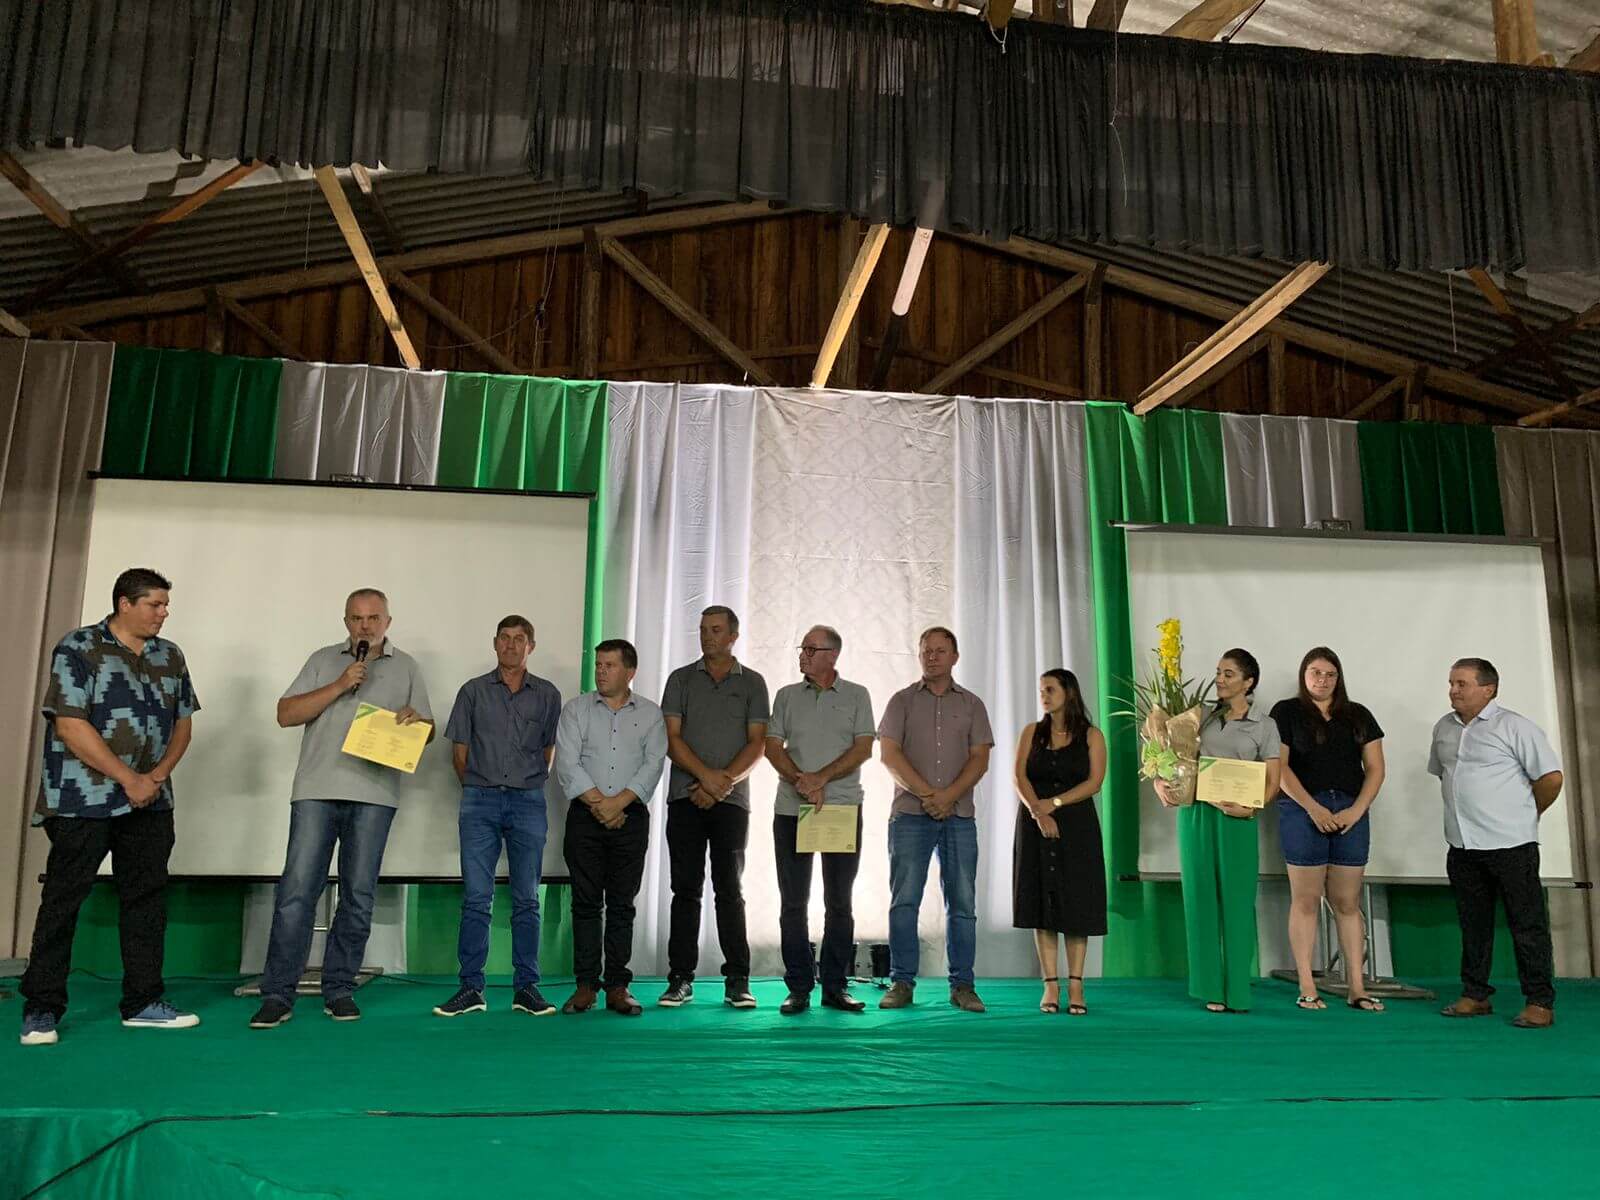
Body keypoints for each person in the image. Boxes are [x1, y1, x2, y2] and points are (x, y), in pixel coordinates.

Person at [20, 569, 201, 1046]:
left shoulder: (169, 655)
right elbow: (69, 725)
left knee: (146, 900)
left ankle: (143, 1002)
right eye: (155, 604)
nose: (164, 613)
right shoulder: (79, 648)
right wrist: (129, 778)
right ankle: (41, 1009)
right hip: (83, 800)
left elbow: (183, 723)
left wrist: (155, 778)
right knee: (63, 901)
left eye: (165, 605)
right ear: (125, 603)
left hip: (151, 803)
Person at [250, 588, 433, 1029]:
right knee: (297, 892)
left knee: (358, 895)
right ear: (346, 621)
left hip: (374, 793)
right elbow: (286, 714)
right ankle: (278, 993)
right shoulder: (322, 660)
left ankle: (339, 988)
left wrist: (417, 723)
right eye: (356, 618)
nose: (364, 626)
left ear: (388, 622)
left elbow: (427, 731)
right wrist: (339, 684)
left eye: (373, 618)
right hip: (316, 789)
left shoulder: (407, 666)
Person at [432, 616, 563, 1019]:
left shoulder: (547, 694)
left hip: (527, 801)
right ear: (494, 643)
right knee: (476, 899)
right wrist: (479, 788)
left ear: (530, 647)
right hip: (480, 801)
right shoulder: (472, 691)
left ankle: (527, 988)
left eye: (519, 639)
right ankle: (471, 988)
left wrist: (525, 784)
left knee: (527, 899)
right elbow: (459, 754)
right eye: (504, 638)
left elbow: (549, 751)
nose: (511, 645)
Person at [1429, 658, 1563, 1029]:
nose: (1453, 690)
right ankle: (1475, 994)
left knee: (1527, 925)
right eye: (1451, 683)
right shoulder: (1444, 727)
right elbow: (1446, 775)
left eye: (1462, 683)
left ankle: (1539, 1001)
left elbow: (1551, 778)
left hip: (1511, 844)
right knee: (1473, 924)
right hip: (1462, 846)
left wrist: (1528, 813)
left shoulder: (1515, 727)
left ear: (1488, 689)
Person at [658, 606, 770, 1010]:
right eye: (703, 629)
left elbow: (758, 743)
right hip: (685, 798)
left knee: (730, 889)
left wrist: (722, 784)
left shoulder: (753, 682)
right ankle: (680, 978)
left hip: (732, 801)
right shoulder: (680, 679)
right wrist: (706, 777)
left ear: (733, 636)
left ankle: (737, 979)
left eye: (716, 630)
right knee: (685, 890)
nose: (707, 636)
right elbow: (671, 739)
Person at [877, 627, 994, 1013]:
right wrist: (929, 795)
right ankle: (901, 982)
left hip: (959, 818)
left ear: (955, 657)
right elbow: (890, 755)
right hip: (910, 816)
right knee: (904, 901)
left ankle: (963, 986)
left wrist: (948, 796)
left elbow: (979, 759)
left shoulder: (973, 704)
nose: (932, 657)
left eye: (940, 651)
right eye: (926, 650)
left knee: (962, 904)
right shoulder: (901, 701)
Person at [1157, 649, 1281, 1013]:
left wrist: (1252, 807)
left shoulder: (1265, 725)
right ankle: (1209, 987)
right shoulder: (1200, 715)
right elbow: (1170, 757)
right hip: (1196, 814)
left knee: (1238, 903)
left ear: (1248, 682)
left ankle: (1237, 990)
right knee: (1200, 899)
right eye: (1218, 672)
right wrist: (1161, 782)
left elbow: (1273, 781)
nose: (1220, 680)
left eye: (1229, 674)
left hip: (1238, 820)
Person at [764, 625, 876, 1015]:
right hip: (792, 810)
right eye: (803, 648)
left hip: (840, 809)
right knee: (793, 903)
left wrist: (821, 779)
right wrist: (802, 781)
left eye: (811, 649)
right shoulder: (786, 695)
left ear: (833, 655)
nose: (803, 654)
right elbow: (772, 746)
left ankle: (835, 986)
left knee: (839, 902)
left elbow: (863, 748)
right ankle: (798, 987)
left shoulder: (857, 695)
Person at [1269, 647, 1387, 1012]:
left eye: (1330, 674)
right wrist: (1312, 807)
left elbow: (1376, 769)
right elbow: (1280, 768)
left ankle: (1356, 987)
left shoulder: (1358, 714)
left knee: (1347, 902)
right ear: (1303, 675)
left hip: (1350, 810)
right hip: (1302, 810)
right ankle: (1307, 985)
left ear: (1339, 678)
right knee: (1305, 900)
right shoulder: (1286, 712)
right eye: (1315, 672)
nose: (1322, 680)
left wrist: (1356, 810)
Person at [555, 639, 668, 1017]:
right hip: (584, 817)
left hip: (630, 817)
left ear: (630, 672)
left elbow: (653, 764)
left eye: (610, 665)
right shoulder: (576, 710)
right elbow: (567, 762)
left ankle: (618, 986)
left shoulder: (650, 714)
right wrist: (600, 804)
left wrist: (618, 803)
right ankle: (586, 985)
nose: (601, 672)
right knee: (585, 903)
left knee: (622, 905)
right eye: (598, 665)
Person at [1011, 669, 1107, 1016]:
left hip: (1077, 825)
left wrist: (1055, 803)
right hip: (1035, 822)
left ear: (1069, 692)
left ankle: (1076, 983)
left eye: (1050, 689)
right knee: (1043, 903)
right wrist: (1038, 812)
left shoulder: (1091, 735)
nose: (1044, 695)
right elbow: (1019, 776)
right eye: (1041, 690)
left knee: (1077, 903)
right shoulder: (1031, 732)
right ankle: (1050, 984)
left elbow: (1095, 782)